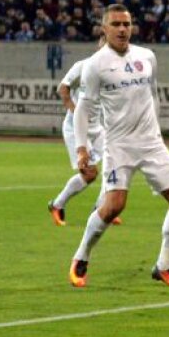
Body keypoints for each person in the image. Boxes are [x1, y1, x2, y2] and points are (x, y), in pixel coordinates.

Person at [68, 4, 169, 289]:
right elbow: (84, 109)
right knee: (114, 206)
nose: (122, 29)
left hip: (151, 143)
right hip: (119, 145)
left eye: (127, 24)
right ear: (104, 29)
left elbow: (153, 95)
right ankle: (81, 256)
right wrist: (82, 149)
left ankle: (164, 266)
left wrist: (156, 130)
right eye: (116, 24)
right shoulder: (95, 65)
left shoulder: (147, 56)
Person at [49, 36, 111, 226]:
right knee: (90, 174)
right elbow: (63, 89)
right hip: (76, 128)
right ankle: (57, 205)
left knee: (115, 165)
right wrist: (76, 111)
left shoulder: (113, 73)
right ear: (99, 47)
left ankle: (103, 209)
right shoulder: (83, 66)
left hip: (97, 128)